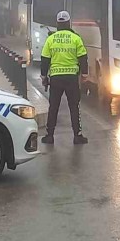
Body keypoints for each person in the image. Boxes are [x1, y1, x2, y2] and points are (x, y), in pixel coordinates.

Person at [40, 10, 89, 145]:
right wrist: (84, 74)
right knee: (74, 107)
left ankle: (49, 136)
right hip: (71, 79)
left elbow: (45, 59)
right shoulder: (75, 38)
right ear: (68, 23)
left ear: (57, 23)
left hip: (55, 78)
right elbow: (83, 57)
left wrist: (44, 76)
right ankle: (77, 136)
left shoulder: (51, 39)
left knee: (53, 107)